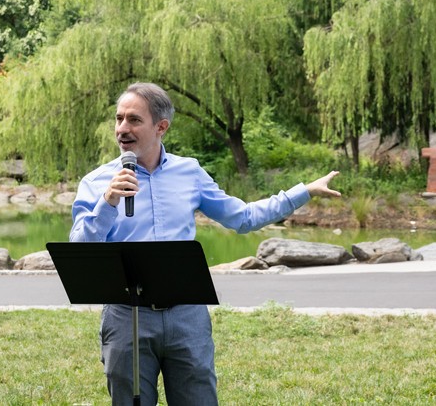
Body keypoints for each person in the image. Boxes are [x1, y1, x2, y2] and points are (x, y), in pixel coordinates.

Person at [70, 82, 341, 405]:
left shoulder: (190, 173)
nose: (122, 129)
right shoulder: (97, 182)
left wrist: (303, 191)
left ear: (161, 127)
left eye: (133, 120)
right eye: (119, 119)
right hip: (127, 318)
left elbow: (243, 218)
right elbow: (80, 248)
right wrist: (107, 202)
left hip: (187, 317)